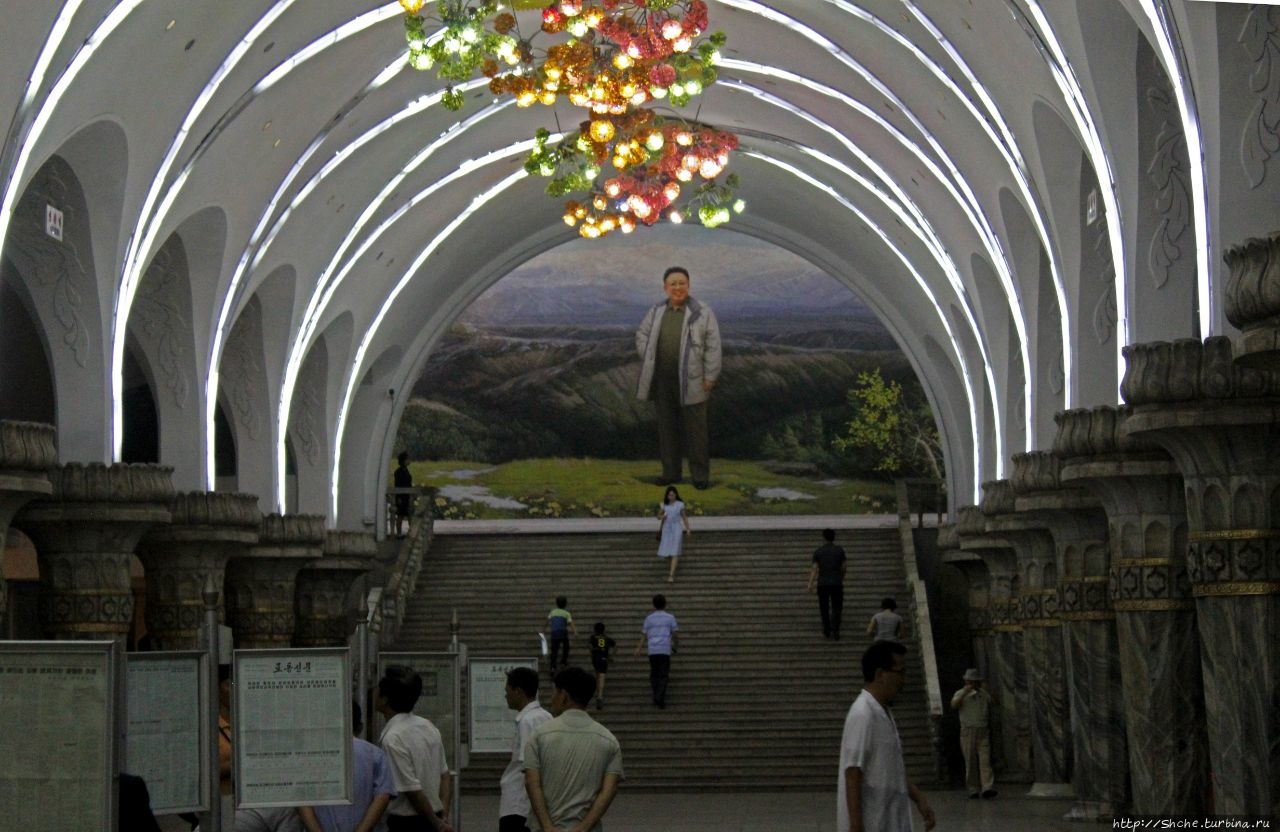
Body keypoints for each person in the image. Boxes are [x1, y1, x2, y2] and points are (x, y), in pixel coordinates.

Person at [635, 265, 722, 490]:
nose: (677, 287)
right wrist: (650, 356)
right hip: (663, 381)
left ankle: (700, 477)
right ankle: (671, 474)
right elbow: (641, 334)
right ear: (665, 287)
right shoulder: (656, 311)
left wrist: (710, 376)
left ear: (688, 285)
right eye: (673, 284)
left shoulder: (702, 312)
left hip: (693, 380)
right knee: (667, 430)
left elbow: (713, 347)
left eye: (682, 283)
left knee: (697, 432)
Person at [838, 641, 936, 832]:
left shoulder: (883, 712)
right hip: (874, 821)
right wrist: (856, 826)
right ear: (880, 674)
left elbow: (890, 768)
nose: (904, 680)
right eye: (900, 672)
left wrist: (918, 797)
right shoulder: (862, 714)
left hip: (891, 819)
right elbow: (852, 773)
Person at [523, 667, 624, 832]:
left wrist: (548, 827)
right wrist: (583, 828)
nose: (552, 698)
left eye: (554, 693)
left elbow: (531, 782)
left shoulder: (539, 735)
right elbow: (609, 789)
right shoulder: (609, 740)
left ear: (564, 696)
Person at [375, 665, 454, 832]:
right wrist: (443, 816)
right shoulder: (428, 727)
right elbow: (445, 775)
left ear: (385, 699)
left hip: (408, 822)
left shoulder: (393, 738)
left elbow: (412, 791)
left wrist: (437, 824)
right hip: (435, 814)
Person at [299, 699, 396, 832]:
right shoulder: (375, 755)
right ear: (359, 726)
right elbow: (382, 797)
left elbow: (302, 802)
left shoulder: (309, 755)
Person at [499, 667, 553, 832]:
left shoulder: (528, 721)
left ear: (519, 691)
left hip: (519, 804)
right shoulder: (546, 716)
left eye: (508, 690)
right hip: (529, 803)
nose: (506, 695)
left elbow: (529, 768)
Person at [951, 668, 997, 799]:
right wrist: (964, 694)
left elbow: (993, 702)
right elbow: (954, 705)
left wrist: (987, 690)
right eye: (970, 682)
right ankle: (973, 788)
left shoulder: (983, 694)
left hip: (982, 729)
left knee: (985, 760)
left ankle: (987, 787)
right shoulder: (960, 693)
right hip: (968, 730)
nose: (973, 685)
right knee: (970, 761)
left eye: (975, 682)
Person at [634, 594, 679, 708]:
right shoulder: (670, 617)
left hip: (653, 649)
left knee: (654, 673)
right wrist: (675, 645)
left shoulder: (649, 618)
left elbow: (644, 635)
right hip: (664, 649)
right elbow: (675, 634)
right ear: (665, 604)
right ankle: (660, 697)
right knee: (663, 674)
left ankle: (656, 694)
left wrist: (639, 648)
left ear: (654, 605)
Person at [807, 528, 847, 639]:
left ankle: (826, 630)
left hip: (823, 583)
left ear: (823, 537)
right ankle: (836, 630)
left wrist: (810, 583)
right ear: (834, 537)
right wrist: (841, 577)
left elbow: (814, 569)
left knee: (824, 607)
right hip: (836, 583)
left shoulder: (818, 551)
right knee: (837, 607)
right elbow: (844, 567)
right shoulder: (839, 550)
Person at [655, 486, 691, 583]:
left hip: (676, 528)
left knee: (675, 550)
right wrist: (662, 516)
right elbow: (658, 516)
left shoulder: (679, 505)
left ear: (676, 495)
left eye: (673, 495)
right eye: (670, 495)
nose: (671, 497)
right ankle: (672, 564)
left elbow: (684, 517)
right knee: (668, 550)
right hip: (667, 528)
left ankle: (671, 575)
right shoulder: (664, 505)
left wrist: (688, 529)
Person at [587, 622, 617, 710]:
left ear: (595, 630)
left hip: (595, 658)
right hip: (604, 658)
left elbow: (588, 645)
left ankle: (597, 690)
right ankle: (600, 695)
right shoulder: (607, 638)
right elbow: (616, 645)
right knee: (602, 675)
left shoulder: (593, 637)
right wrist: (611, 656)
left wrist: (592, 651)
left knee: (597, 673)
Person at [546, 596, 577, 674]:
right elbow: (570, 623)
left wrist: (543, 629)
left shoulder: (553, 612)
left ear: (556, 603)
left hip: (554, 633)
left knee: (554, 651)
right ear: (566, 604)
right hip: (563, 633)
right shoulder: (566, 613)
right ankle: (563, 661)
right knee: (566, 647)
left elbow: (547, 620)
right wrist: (575, 631)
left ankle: (553, 666)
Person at [394, 451, 413, 538]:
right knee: (401, 515)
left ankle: (411, 531)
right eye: (408, 459)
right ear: (404, 460)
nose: (409, 460)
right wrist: (399, 497)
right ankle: (399, 533)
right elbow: (398, 484)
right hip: (401, 496)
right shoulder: (399, 471)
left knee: (408, 514)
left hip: (407, 495)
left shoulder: (405, 470)